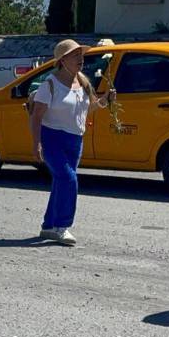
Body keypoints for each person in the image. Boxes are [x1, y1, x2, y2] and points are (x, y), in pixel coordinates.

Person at [29, 39, 115, 246]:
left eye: (81, 54)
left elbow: (89, 108)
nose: (80, 59)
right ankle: (62, 226)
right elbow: (36, 116)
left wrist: (105, 101)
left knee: (61, 181)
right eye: (75, 55)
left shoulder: (83, 81)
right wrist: (36, 143)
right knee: (69, 180)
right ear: (62, 60)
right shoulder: (49, 85)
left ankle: (49, 226)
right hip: (52, 138)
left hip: (75, 139)